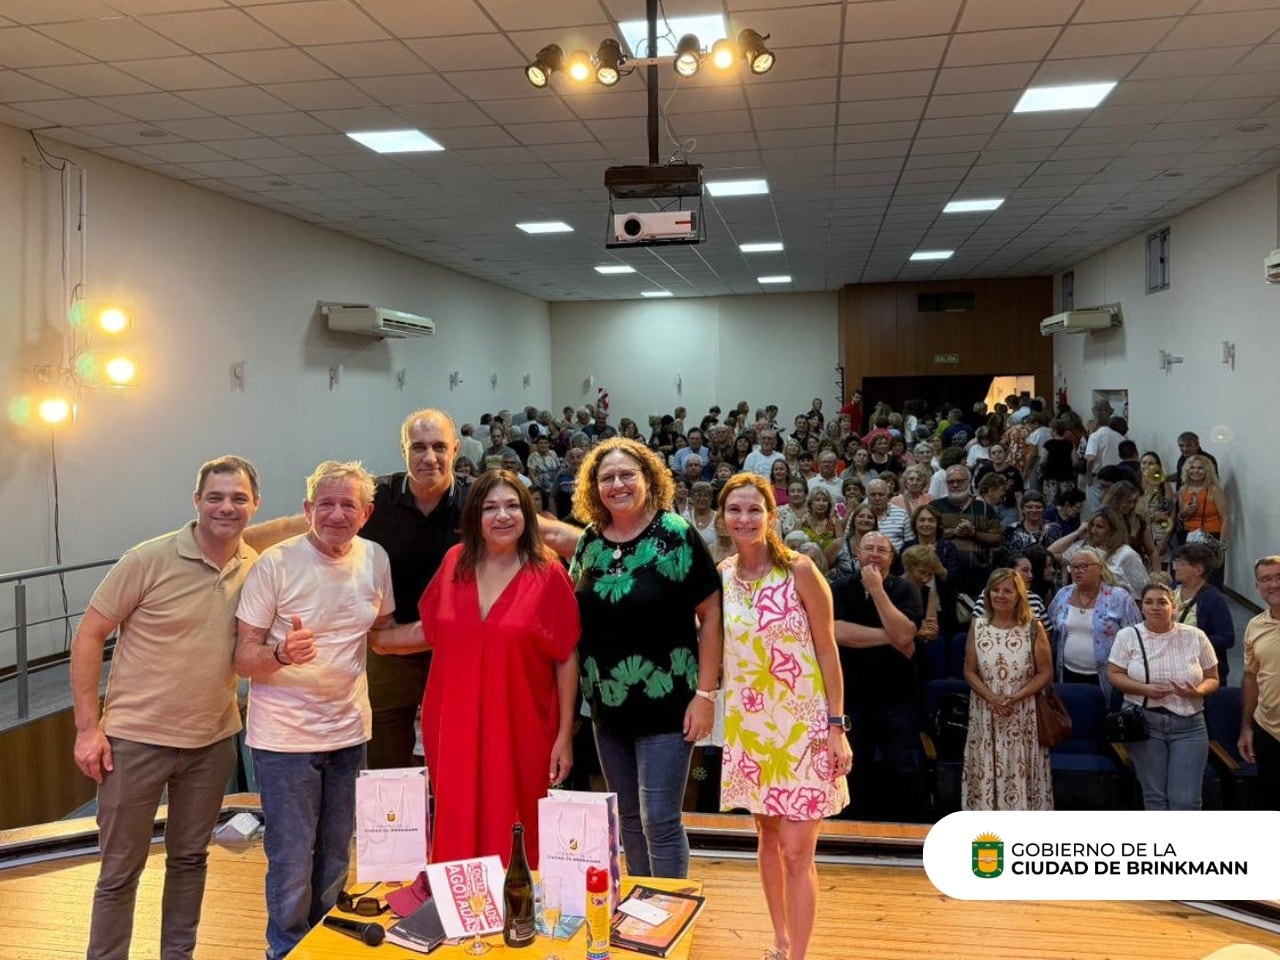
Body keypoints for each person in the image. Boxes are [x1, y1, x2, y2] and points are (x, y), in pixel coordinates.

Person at [70, 456, 261, 960]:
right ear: (196, 501)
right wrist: (87, 729)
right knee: (119, 872)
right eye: (215, 497)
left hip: (212, 743)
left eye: (238, 498)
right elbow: (89, 634)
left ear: (254, 505)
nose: (226, 507)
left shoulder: (255, 565)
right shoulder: (146, 559)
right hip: (134, 743)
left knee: (190, 861)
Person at [374, 471, 579, 866]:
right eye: (490, 507)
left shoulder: (548, 572)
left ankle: (515, 896)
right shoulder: (455, 562)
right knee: (457, 813)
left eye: (512, 505)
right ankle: (459, 894)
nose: (502, 516)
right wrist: (372, 639)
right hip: (454, 720)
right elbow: (431, 629)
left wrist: (563, 736)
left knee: (517, 821)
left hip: (521, 723)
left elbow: (566, 656)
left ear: (527, 514)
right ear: (475, 516)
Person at [234, 461, 395, 960]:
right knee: (290, 859)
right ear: (307, 509)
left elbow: (383, 632)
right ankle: (285, 950)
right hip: (284, 739)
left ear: (366, 513)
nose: (336, 514)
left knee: (335, 855)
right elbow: (242, 658)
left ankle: (323, 945)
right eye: (326, 503)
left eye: (348, 504)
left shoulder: (375, 558)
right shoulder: (275, 564)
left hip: (349, 732)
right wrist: (282, 654)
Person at [569, 438, 722, 878]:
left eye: (627, 475)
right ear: (594, 487)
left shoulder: (676, 533)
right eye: (607, 478)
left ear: (648, 479)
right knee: (629, 819)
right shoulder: (590, 541)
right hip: (607, 706)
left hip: (668, 703)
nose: (617, 485)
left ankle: (670, 910)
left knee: (660, 819)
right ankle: (640, 903)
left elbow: (712, 615)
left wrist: (705, 695)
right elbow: (571, 610)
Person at [716, 474, 850, 960]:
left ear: (772, 516)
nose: (745, 518)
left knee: (797, 851)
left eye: (755, 509)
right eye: (735, 510)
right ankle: (779, 940)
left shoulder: (800, 570)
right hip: (751, 729)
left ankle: (798, 955)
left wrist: (837, 727)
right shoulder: (722, 577)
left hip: (805, 729)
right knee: (768, 838)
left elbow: (828, 652)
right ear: (722, 518)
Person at [831, 532, 924, 821]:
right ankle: (851, 829)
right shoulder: (838, 588)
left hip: (897, 697)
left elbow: (906, 633)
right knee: (853, 766)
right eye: (868, 548)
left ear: (891, 558)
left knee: (901, 767)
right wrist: (891, 637)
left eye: (881, 550)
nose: (874, 554)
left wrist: (877, 589)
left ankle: (904, 831)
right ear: (857, 552)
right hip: (852, 695)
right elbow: (836, 632)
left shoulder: (907, 589)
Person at [1107, 582, 1219, 810]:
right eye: (1149, 602)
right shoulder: (1127, 636)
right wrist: (1145, 689)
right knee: (1155, 798)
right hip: (1145, 723)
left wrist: (1197, 691)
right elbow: (1114, 675)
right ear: (1141, 607)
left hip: (1189, 725)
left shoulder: (1195, 636)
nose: (1155, 607)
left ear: (1173, 607)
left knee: (1186, 801)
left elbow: (1213, 678)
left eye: (1162, 602)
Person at [961, 569, 1054, 811]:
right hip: (985, 712)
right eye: (995, 590)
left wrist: (1014, 697)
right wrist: (993, 698)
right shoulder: (978, 626)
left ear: (1019, 595)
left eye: (1007, 591)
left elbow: (1045, 673)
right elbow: (969, 671)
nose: (1000, 595)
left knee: (1019, 768)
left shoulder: (1033, 627)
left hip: (1023, 713)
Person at [1045, 546, 1140, 699]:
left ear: (1100, 568)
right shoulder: (1063, 594)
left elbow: (1135, 637)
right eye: (1073, 567)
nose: (1077, 571)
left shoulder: (1120, 598)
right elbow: (1051, 632)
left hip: (1107, 676)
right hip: (1067, 673)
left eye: (1083, 566)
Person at [1240, 555, 1280, 808]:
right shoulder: (1255, 626)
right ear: (1257, 586)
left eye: (1279, 577)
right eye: (1266, 579)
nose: (1274, 584)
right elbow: (1251, 677)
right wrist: (1247, 727)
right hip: (1268, 730)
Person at [1049, 507, 1148, 599]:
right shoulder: (1083, 547)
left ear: (1112, 530)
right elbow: (1050, 552)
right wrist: (1077, 532)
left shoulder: (1127, 554)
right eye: (1092, 525)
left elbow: (1143, 590)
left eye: (1099, 527)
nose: (1092, 531)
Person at [1172, 543, 1235, 684]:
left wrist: (1190, 642)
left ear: (1198, 570)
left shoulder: (1214, 599)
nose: (1175, 567)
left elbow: (1227, 638)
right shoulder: (1171, 590)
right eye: (1176, 562)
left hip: (1200, 670)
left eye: (1182, 563)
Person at [1176, 454, 1230, 587]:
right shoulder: (1183, 490)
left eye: (1200, 468)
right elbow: (1181, 516)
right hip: (1189, 538)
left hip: (1211, 537)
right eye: (1192, 467)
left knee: (1212, 579)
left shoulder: (1214, 490)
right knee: (1192, 578)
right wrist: (1185, 512)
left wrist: (1221, 547)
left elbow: (1226, 518)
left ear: (1207, 470)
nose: (1196, 471)